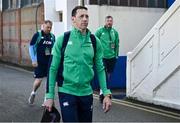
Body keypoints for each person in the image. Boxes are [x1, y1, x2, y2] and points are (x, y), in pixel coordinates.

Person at [44, 6, 112, 122]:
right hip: (67, 91)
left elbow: (100, 69)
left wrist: (106, 93)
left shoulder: (95, 41)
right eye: (81, 16)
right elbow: (53, 69)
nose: (85, 19)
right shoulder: (63, 40)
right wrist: (49, 96)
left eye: (87, 16)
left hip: (86, 93)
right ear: (73, 19)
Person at [28, 20, 55, 105]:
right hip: (39, 62)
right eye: (48, 27)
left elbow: (55, 49)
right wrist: (33, 60)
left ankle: (46, 100)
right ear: (43, 26)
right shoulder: (38, 35)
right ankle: (33, 92)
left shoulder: (52, 36)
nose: (49, 29)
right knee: (38, 81)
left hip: (49, 62)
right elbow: (31, 47)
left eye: (50, 27)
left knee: (49, 82)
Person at [95, 15, 119, 103]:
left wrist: (116, 55)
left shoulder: (115, 32)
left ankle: (105, 89)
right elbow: (94, 42)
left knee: (109, 74)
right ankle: (103, 92)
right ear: (105, 22)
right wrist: (96, 55)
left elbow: (117, 44)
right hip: (102, 57)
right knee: (104, 74)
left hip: (112, 57)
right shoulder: (100, 31)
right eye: (108, 21)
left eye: (111, 21)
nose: (109, 22)